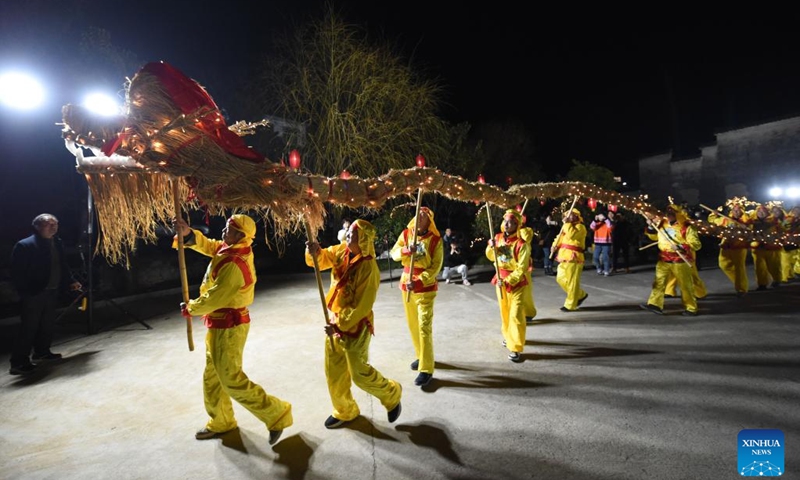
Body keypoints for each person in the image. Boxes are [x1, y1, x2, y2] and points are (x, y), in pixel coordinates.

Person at [174, 214, 292, 445]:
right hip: (219, 324)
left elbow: (217, 296)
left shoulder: (234, 263)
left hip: (229, 326)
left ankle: (277, 413)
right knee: (213, 376)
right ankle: (221, 421)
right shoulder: (230, 249)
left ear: (240, 235)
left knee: (230, 378)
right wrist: (188, 235)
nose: (223, 231)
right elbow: (211, 246)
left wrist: (192, 307)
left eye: (229, 228)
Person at [306, 219, 403, 428]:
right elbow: (320, 260)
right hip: (334, 323)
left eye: (353, 234)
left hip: (355, 326)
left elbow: (361, 307)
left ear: (364, 241)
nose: (348, 236)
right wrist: (315, 251)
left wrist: (340, 323)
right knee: (334, 372)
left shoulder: (368, 268)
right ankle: (345, 410)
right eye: (349, 232)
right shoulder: (341, 251)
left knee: (359, 374)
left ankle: (391, 393)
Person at [9, 213, 82, 375]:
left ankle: (42, 352)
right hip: (34, 292)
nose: (53, 227)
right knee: (29, 327)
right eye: (49, 224)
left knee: (47, 323)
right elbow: (17, 272)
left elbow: (62, 264)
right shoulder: (25, 245)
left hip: (52, 289)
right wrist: (25, 292)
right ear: (37, 226)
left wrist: (71, 280)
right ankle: (18, 362)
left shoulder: (56, 242)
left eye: (55, 224)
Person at [390, 207, 443, 387]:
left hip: (425, 289)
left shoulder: (436, 240)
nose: (419, 217)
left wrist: (421, 281)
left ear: (430, 221)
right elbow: (394, 253)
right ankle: (421, 356)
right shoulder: (406, 235)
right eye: (418, 214)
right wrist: (405, 250)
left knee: (423, 326)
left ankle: (426, 369)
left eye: (424, 216)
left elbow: (436, 267)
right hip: (407, 286)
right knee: (413, 325)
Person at [485, 209, 533, 362]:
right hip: (500, 281)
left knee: (516, 315)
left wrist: (509, 280)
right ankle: (508, 336)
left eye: (511, 222)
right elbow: (491, 256)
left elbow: (521, 268)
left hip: (516, 283)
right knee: (504, 312)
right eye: (505, 221)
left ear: (517, 225)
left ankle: (515, 347)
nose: (507, 224)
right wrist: (491, 247)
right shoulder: (498, 238)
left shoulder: (522, 244)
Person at [640, 205, 701, 316]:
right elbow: (654, 237)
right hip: (664, 259)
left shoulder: (687, 227)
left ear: (678, 214)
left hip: (680, 260)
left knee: (685, 285)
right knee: (659, 282)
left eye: (672, 213)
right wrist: (650, 227)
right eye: (667, 213)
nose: (669, 215)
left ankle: (691, 308)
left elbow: (696, 244)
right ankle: (655, 304)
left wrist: (680, 247)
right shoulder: (663, 223)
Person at [707, 200, 750, 296]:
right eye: (735, 210)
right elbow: (713, 221)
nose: (736, 212)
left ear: (742, 211)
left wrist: (745, 227)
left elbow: (751, 230)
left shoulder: (747, 220)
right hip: (726, 246)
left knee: (739, 268)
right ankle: (738, 282)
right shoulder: (726, 220)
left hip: (739, 247)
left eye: (738, 210)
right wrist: (714, 214)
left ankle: (742, 289)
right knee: (723, 264)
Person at [552, 208, 589, 312]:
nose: (568, 216)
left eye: (571, 214)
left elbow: (571, 235)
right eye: (567, 214)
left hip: (574, 258)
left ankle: (570, 304)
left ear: (577, 216)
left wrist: (566, 224)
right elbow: (559, 238)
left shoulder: (580, 227)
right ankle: (580, 294)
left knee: (572, 282)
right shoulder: (566, 227)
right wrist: (554, 245)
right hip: (564, 257)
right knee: (560, 278)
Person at [748, 204, 783, 290]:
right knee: (760, 268)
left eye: (763, 211)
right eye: (759, 211)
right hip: (758, 248)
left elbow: (782, 230)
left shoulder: (774, 221)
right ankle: (762, 284)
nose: (761, 213)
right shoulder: (752, 222)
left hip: (772, 247)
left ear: (767, 212)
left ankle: (777, 280)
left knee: (774, 265)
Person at [540, 208, 560, 276]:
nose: (550, 219)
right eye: (548, 218)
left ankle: (550, 268)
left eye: (550, 218)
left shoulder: (553, 226)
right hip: (546, 243)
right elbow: (542, 231)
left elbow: (557, 232)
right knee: (547, 255)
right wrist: (548, 225)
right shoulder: (543, 225)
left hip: (552, 243)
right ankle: (546, 268)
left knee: (552, 256)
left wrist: (554, 224)